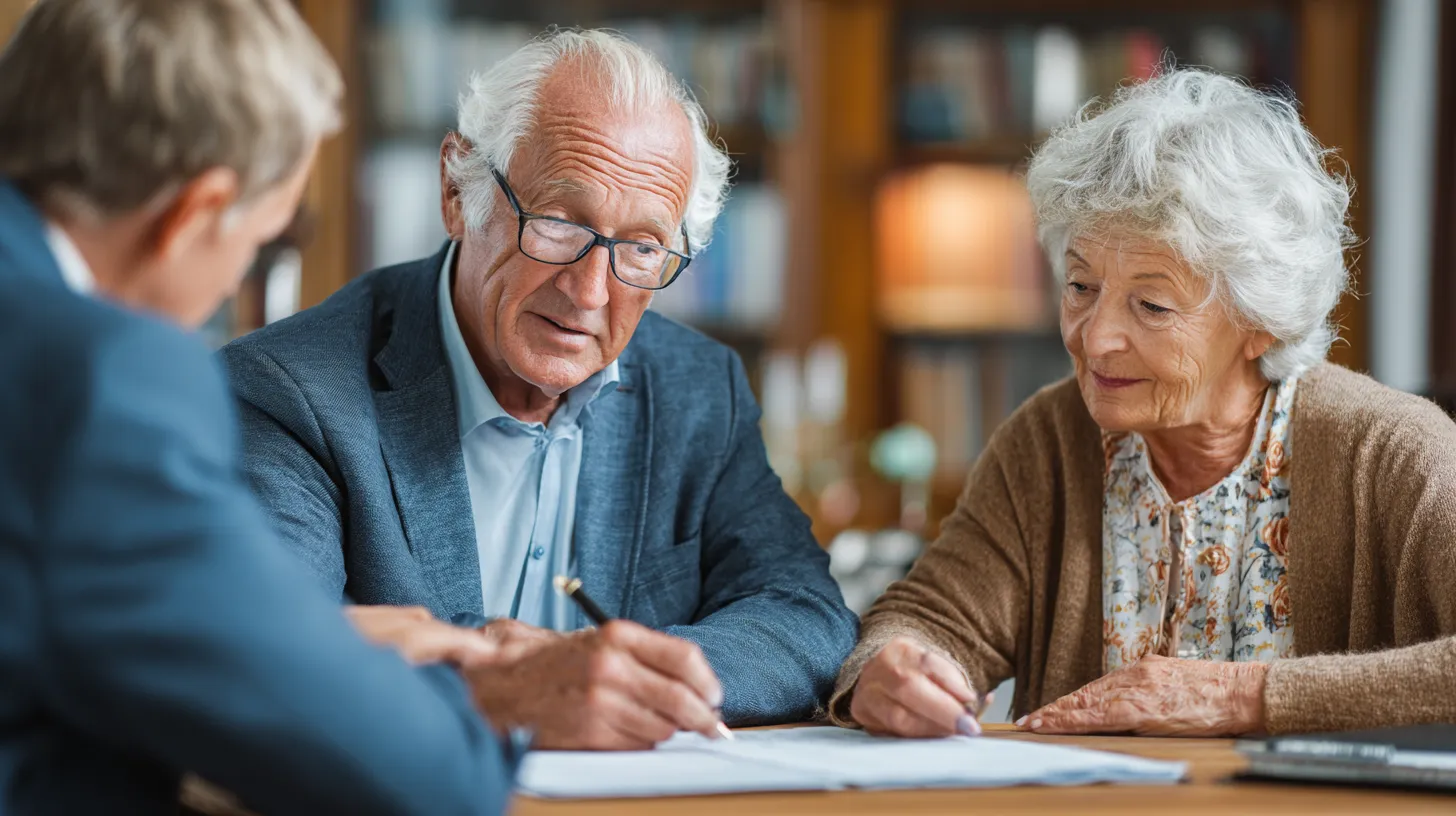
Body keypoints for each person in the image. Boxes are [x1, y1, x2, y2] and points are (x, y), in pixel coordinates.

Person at [221, 29, 858, 749]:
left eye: (642, 248)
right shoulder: (294, 392)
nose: (590, 292)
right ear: (458, 193)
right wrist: (508, 689)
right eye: (558, 224)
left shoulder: (696, 388)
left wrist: (628, 677)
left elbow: (805, 614)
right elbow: (271, 656)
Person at [830, 68, 1456, 739]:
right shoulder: (1049, 439)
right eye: (1080, 285)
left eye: (1152, 305)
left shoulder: (1392, 453)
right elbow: (930, 619)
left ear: (1260, 319)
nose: (1095, 338)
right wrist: (886, 671)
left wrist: (1244, 697)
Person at [0, 1, 516, 813]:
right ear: (195, 214)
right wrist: (437, 681)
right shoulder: (102, 378)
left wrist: (303, 644)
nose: (244, 283)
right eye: (266, 242)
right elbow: (422, 780)